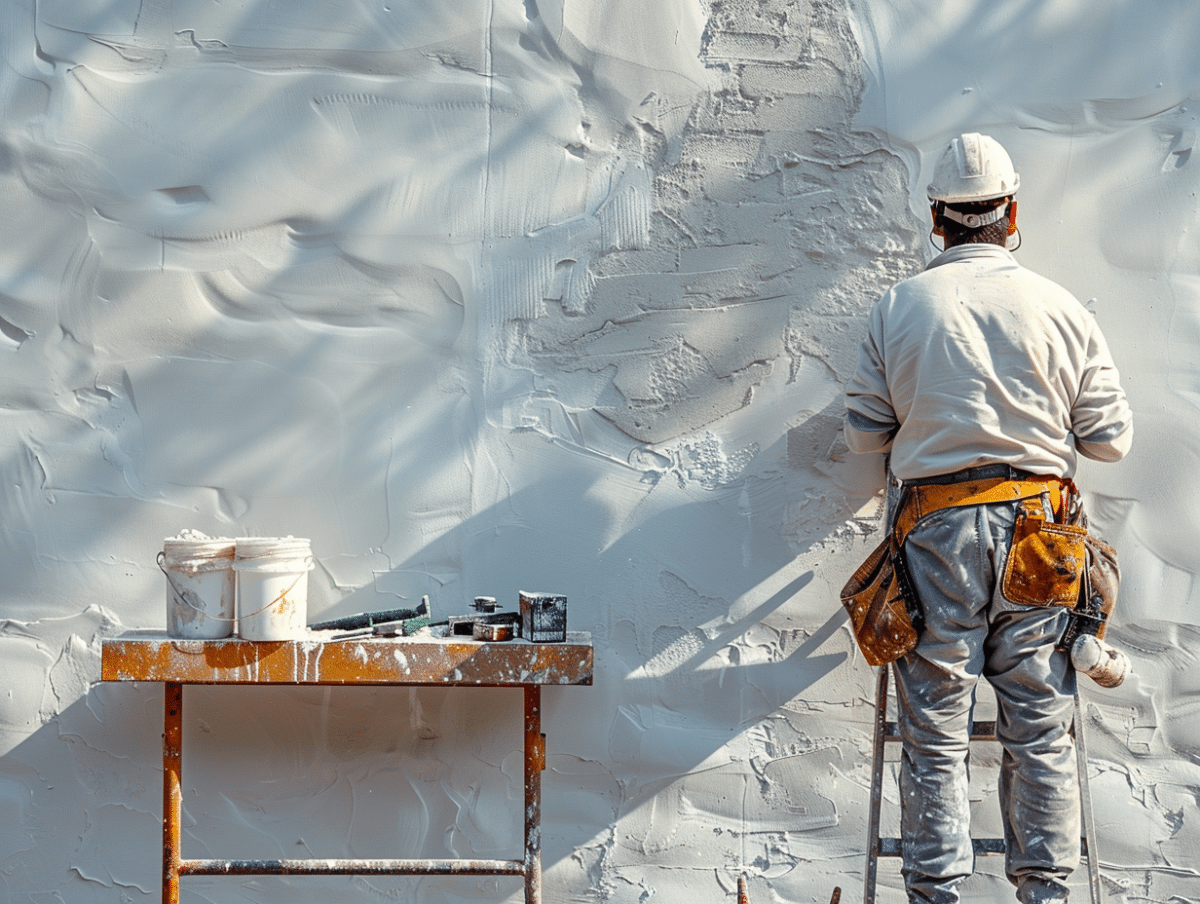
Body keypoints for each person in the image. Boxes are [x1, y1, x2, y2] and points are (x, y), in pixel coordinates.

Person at [842, 132, 1133, 904]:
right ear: (1011, 213)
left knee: (933, 734)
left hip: (935, 531)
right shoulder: (1059, 307)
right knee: (1040, 725)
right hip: (1041, 535)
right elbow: (1110, 442)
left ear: (937, 218)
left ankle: (935, 894)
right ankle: (1045, 893)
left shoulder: (899, 306)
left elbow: (862, 435)